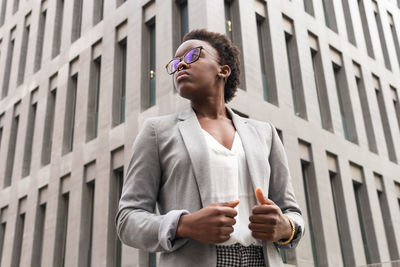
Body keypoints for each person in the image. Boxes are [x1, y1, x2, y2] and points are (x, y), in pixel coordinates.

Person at [116, 29, 304, 267]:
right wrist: (184, 225)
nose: (181, 65)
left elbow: (292, 211)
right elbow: (127, 219)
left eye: (193, 55)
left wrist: (284, 227)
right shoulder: (157, 132)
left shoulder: (264, 133)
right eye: (176, 62)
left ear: (223, 70)